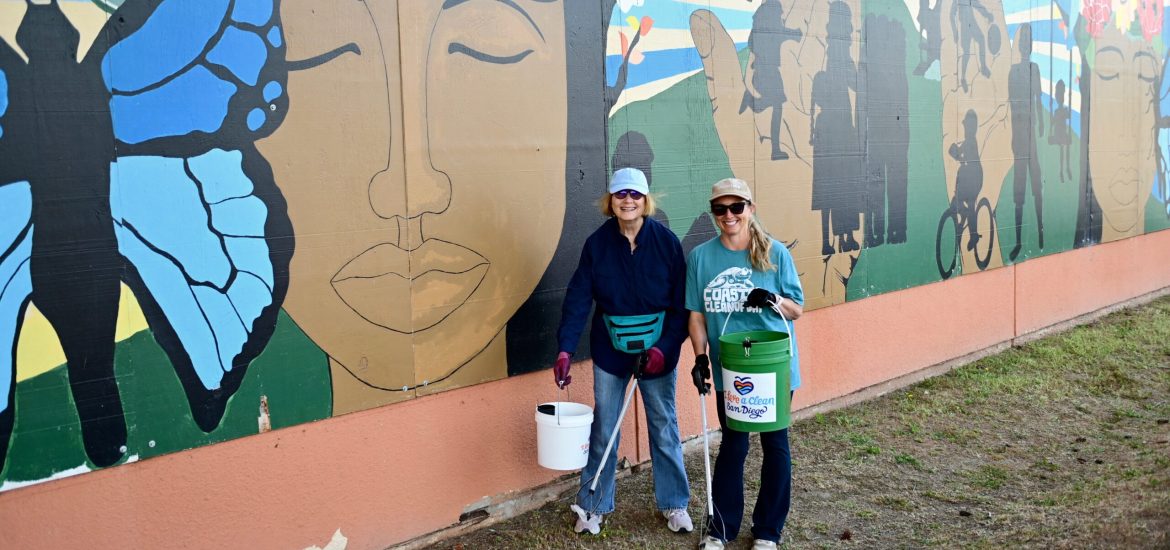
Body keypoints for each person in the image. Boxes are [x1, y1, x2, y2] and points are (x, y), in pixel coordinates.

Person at [553, 167, 693, 535]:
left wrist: (665, 348)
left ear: (646, 201)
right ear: (610, 202)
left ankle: (675, 504)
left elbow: (681, 304)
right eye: (620, 195)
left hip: (658, 352)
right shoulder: (596, 246)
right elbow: (579, 298)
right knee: (604, 429)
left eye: (635, 194)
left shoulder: (666, 243)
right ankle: (593, 507)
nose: (627, 200)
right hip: (611, 351)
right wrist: (566, 349)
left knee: (664, 425)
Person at [687, 178, 804, 550]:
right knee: (734, 446)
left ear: (751, 209)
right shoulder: (701, 257)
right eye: (720, 209)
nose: (729, 216)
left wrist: (771, 297)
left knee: (775, 445)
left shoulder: (775, 253)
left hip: (772, 366)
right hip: (730, 368)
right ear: (714, 214)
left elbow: (796, 309)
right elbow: (696, 314)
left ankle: (768, 532)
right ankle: (720, 530)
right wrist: (700, 357)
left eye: (737, 207)